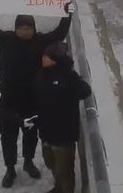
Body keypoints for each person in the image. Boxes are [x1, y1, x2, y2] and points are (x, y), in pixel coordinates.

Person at [0, 0, 75, 188]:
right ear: (16, 28)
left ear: (34, 28)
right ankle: (10, 167)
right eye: (21, 27)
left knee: (30, 133)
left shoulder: (41, 41)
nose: (25, 31)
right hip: (9, 99)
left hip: (32, 100)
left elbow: (59, 34)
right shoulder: (6, 40)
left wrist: (67, 14)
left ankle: (28, 161)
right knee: (7, 134)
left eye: (28, 27)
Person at [33, 41, 92, 193]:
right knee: (51, 164)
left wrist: (68, 79)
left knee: (64, 171)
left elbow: (85, 91)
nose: (43, 58)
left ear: (54, 60)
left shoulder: (69, 77)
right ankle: (58, 188)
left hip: (64, 135)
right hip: (46, 131)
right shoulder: (41, 74)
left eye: (46, 56)